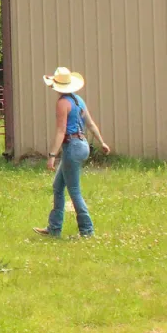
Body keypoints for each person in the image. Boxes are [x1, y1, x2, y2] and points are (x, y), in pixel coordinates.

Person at [33, 67, 111, 238]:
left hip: (73, 147)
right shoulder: (78, 100)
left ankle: (87, 230)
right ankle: (54, 228)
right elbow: (90, 124)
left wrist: (52, 156)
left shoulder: (62, 103)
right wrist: (102, 142)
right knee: (58, 186)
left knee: (74, 190)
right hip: (82, 145)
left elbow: (61, 131)